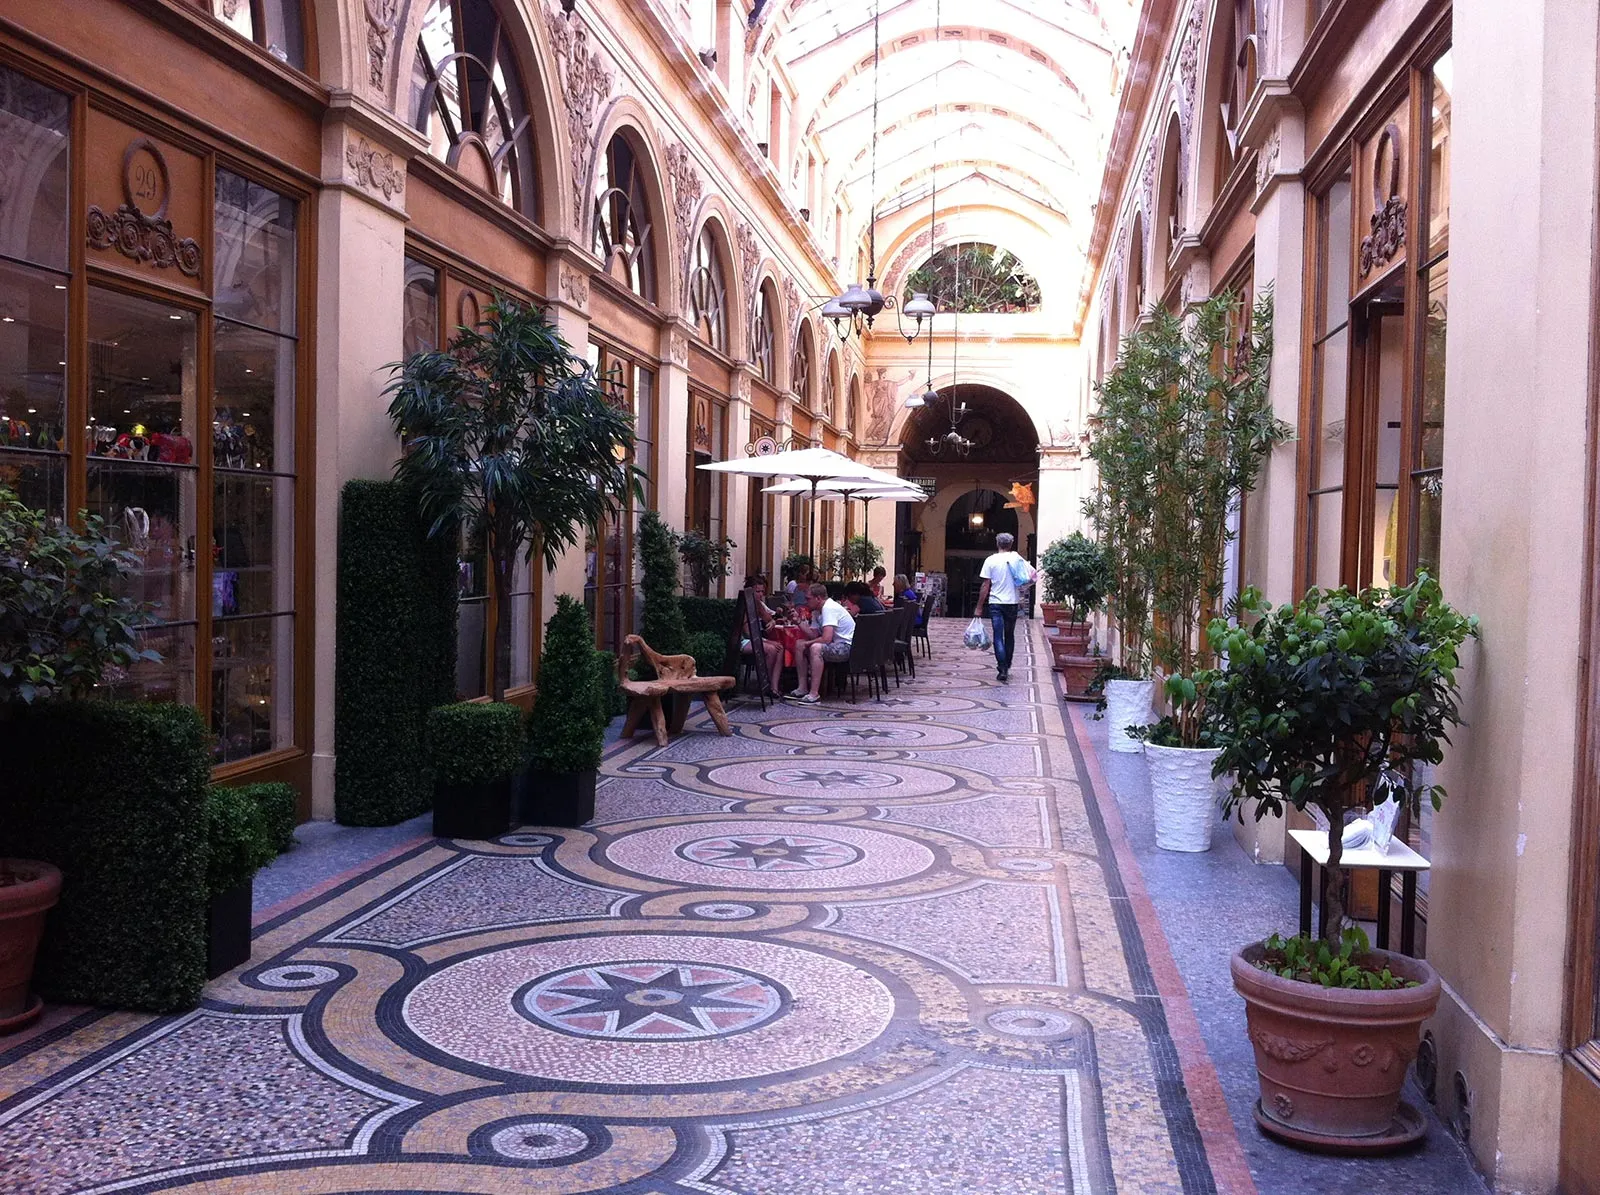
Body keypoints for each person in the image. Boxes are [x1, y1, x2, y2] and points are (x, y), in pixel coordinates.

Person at [976, 532, 1034, 682]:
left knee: (998, 636)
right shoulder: (1016, 558)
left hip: (995, 603)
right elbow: (1031, 574)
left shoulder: (990, 560)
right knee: (1009, 635)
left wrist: (979, 606)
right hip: (1012, 602)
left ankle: (1002, 668)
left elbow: (985, 585)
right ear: (1011, 544)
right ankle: (1006, 665)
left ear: (997, 544)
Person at [790, 582, 854, 704]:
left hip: (847, 647)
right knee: (799, 644)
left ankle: (814, 693)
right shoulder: (816, 611)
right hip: (835, 644)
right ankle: (802, 687)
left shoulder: (829, 608)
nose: (806, 602)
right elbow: (813, 635)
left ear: (818, 598)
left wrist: (808, 644)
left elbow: (826, 638)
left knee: (816, 648)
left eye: (808, 599)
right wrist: (798, 622)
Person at [738, 577, 785, 698]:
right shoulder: (744, 605)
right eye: (757, 591)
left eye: (762, 591)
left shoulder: (758, 604)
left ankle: (774, 687)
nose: (760, 594)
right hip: (743, 641)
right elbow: (748, 633)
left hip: (756, 638)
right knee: (771, 649)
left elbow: (769, 618)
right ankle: (764, 683)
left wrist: (772, 622)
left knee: (780, 648)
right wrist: (767, 641)